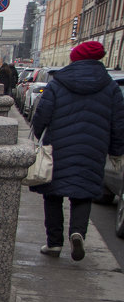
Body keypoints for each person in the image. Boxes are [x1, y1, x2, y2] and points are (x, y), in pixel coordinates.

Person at [29, 40, 124, 261]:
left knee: (52, 193)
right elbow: (119, 122)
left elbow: (42, 112)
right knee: (83, 193)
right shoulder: (110, 86)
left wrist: (38, 133)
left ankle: (54, 244)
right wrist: (117, 151)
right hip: (94, 148)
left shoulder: (59, 82)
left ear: (74, 58)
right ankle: (77, 232)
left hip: (59, 146)